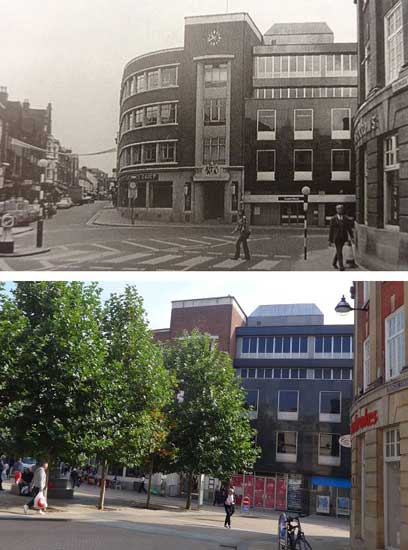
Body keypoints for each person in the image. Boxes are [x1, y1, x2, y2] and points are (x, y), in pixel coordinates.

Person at [329, 205, 354, 271]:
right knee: (339, 251)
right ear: (336, 210)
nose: (340, 210)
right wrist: (330, 240)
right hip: (336, 238)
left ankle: (334, 263)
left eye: (341, 209)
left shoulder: (345, 218)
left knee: (339, 251)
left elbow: (349, 228)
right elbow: (331, 230)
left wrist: (352, 236)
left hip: (343, 237)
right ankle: (341, 266)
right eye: (339, 209)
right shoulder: (333, 219)